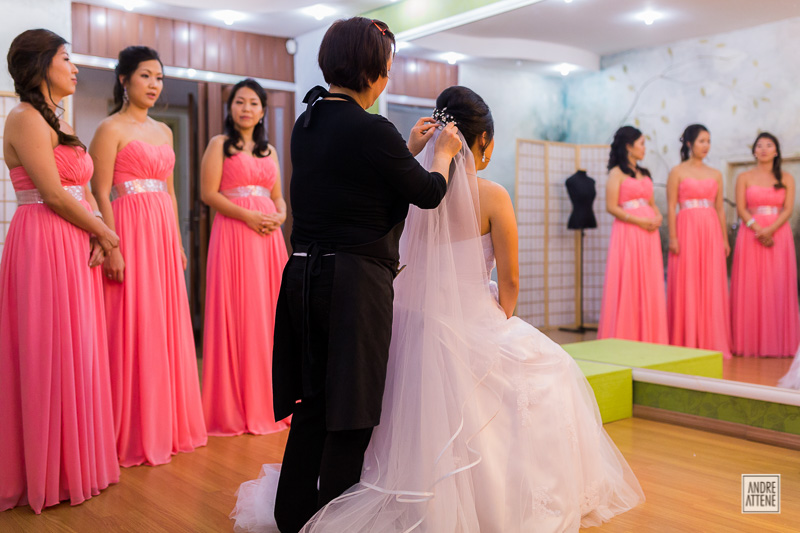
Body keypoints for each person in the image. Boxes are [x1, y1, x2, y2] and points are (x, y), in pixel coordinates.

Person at [232, 86, 644, 533]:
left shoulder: (408, 189)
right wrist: (500, 320)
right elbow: (510, 282)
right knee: (555, 370)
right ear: (482, 141)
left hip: (406, 320)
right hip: (470, 318)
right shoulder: (494, 196)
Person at [249, 17, 462, 533]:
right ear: (372, 70)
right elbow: (429, 193)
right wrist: (444, 155)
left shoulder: (309, 121)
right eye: (387, 67)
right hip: (352, 284)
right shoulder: (371, 129)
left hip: (304, 276)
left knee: (314, 403)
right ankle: (337, 522)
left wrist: (405, 150)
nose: (388, 77)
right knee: (353, 410)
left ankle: (292, 516)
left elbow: (357, 183)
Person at [0, 29, 120, 513]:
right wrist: (106, 233)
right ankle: (43, 469)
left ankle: (75, 463)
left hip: (74, 240)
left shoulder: (59, 120)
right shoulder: (24, 117)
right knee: (47, 349)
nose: (75, 68)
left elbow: (82, 190)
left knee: (77, 349)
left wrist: (95, 234)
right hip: (42, 240)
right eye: (67, 58)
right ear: (40, 64)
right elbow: (51, 194)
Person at [89, 45, 207, 467]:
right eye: (145, 75)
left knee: (162, 322)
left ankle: (165, 423)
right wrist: (112, 244)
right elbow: (99, 191)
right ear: (124, 79)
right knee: (131, 321)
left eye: (159, 77)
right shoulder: (109, 128)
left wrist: (176, 241)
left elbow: (171, 192)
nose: (154, 84)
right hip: (128, 229)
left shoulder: (164, 132)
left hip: (161, 235)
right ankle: (128, 428)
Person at [200, 78, 290, 436]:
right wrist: (249, 216)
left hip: (269, 239)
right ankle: (236, 403)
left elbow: (278, 195)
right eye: (240, 102)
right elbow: (209, 194)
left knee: (270, 313)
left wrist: (280, 214)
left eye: (253, 103)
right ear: (230, 107)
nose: (246, 108)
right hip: (234, 234)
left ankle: (271, 399)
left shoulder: (270, 152)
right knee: (240, 310)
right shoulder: (219, 144)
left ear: (263, 110)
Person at [730, 132, 799, 357]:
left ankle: (777, 341)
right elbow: (741, 209)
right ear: (754, 151)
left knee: (777, 285)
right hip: (750, 234)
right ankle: (749, 341)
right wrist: (757, 228)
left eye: (769, 145)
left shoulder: (787, 177)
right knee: (751, 285)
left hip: (779, 234)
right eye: (759, 145)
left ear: (776, 151)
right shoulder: (744, 177)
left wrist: (770, 229)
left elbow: (788, 209)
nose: (764, 149)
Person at [598, 126, 668, 344]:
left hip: (649, 235)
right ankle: (626, 335)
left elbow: (651, 203)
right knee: (630, 280)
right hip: (628, 233)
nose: (645, 148)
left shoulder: (644, 173)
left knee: (649, 281)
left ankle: (650, 336)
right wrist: (640, 221)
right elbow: (611, 206)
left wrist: (658, 216)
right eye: (642, 144)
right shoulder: (616, 173)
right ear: (629, 146)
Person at [666, 124, 731, 358]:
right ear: (689, 143)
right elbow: (671, 206)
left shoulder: (716, 174)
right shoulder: (677, 171)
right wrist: (673, 237)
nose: (706, 146)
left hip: (711, 230)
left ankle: (711, 340)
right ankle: (687, 339)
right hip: (686, 229)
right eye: (702, 141)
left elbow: (720, 209)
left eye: (708, 141)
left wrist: (724, 239)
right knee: (688, 280)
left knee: (712, 282)